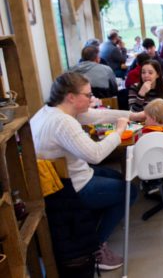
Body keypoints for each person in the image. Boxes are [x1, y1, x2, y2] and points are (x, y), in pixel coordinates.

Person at [30, 72, 143, 271]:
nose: (91, 99)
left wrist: (133, 116)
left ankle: (90, 226)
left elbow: (95, 115)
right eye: (88, 95)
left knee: (119, 178)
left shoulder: (50, 111)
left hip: (66, 179)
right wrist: (118, 131)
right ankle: (94, 247)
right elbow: (96, 154)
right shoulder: (63, 122)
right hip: (69, 190)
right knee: (130, 191)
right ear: (71, 97)